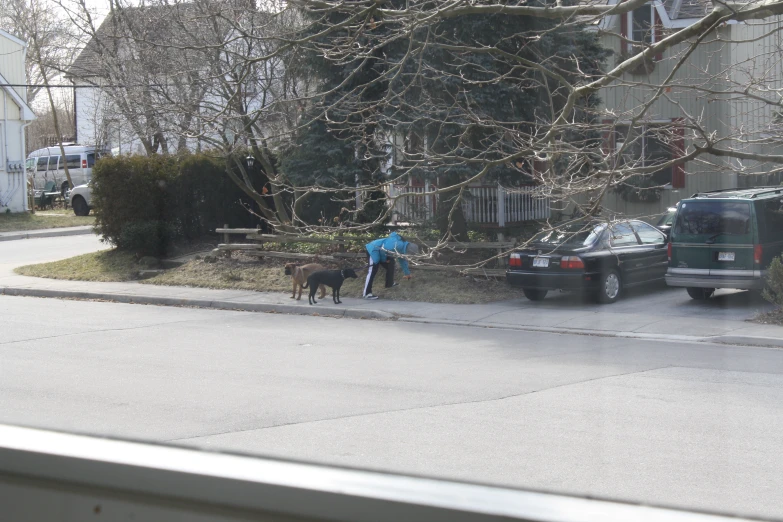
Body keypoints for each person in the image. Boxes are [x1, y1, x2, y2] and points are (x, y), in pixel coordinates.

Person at [363, 232, 419, 299]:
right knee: (372, 271)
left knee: (391, 263)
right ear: (408, 250)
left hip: (381, 252)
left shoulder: (402, 248)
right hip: (373, 249)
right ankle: (367, 293)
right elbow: (383, 249)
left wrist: (407, 273)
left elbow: (402, 260)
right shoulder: (397, 245)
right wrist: (384, 260)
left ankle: (389, 283)